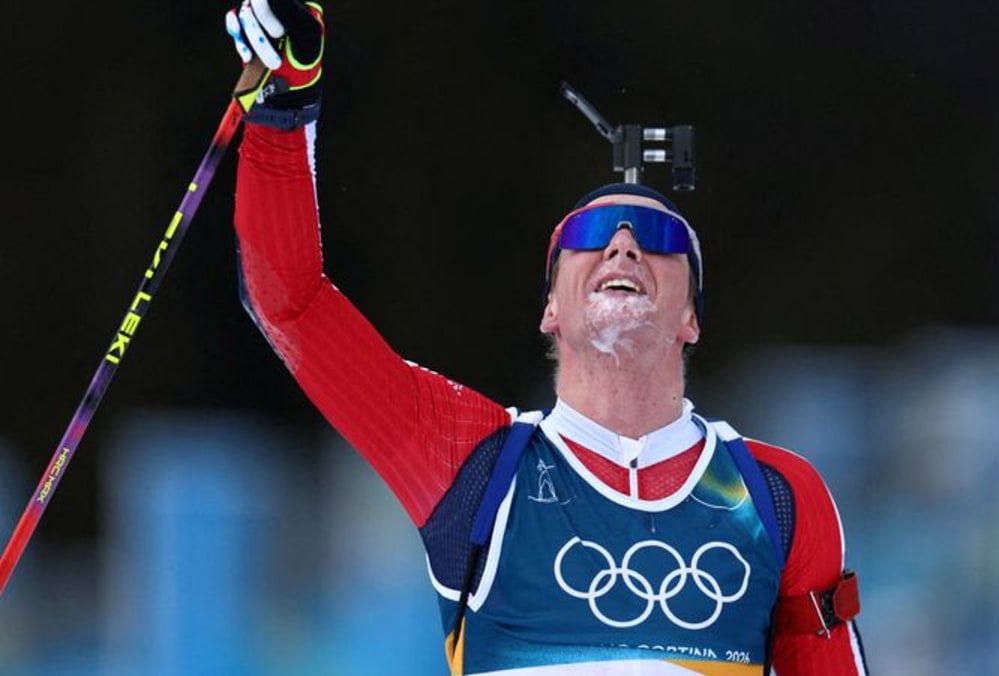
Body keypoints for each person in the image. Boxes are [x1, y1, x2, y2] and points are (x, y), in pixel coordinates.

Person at [227, 1, 868, 674]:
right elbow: (290, 303)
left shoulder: (776, 497)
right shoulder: (472, 463)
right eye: (589, 235)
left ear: (691, 319)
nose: (623, 245)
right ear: (551, 310)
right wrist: (284, 108)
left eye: (659, 237)